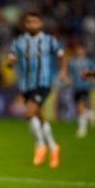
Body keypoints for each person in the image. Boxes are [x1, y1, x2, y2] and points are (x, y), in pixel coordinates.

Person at [7, 12, 67, 168]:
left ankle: (40, 146)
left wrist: (63, 71)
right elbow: (11, 58)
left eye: (35, 22)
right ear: (25, 24)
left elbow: (61, 56)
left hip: (43, 82)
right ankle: (53, 147)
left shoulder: (49, 40)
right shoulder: (19, 42)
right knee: (37, 115)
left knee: (29, 113)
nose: (32, 25)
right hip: (26, 85)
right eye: (29, 22)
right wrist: (10, 62)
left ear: (40, 23)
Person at [68, 42, 95, 138]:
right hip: (76, 87)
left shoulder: (89, 61)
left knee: (81, 106)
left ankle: (82, 129)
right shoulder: (72, 61)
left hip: (85, 86)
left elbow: (93, 73)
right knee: (79, 108)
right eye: (78, 49)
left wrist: (91, 79)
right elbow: (69, 73)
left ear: (84, 50)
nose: (79, 51)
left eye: (81, 49)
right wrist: (69, 79)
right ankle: (90, 115)